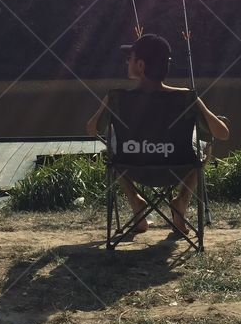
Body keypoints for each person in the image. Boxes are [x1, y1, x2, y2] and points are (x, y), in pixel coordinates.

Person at [85, 33, 229, 235]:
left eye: (130, 58)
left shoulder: (116, 98)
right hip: (178, 168)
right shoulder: (186, 97)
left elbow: (92, 130)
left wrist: (105, 106)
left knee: (113, 148)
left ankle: (136, 203)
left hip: (132, 168)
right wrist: (200, 108)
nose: (127, 62)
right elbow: (222, 133)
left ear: (140, 65)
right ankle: (181, 201)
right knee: (206, 145)